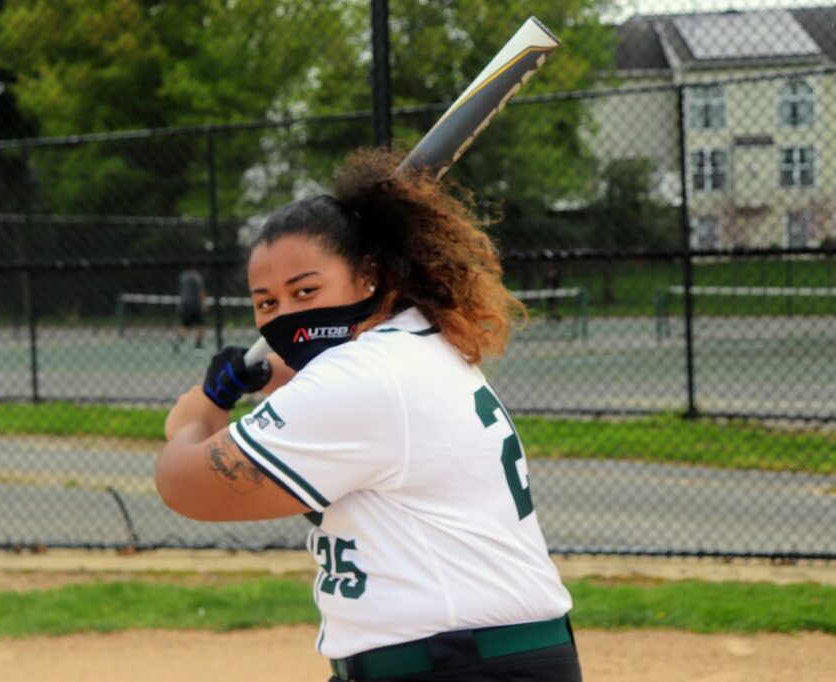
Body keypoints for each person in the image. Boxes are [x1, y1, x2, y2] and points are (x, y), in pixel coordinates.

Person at [156, 149, 582, 682]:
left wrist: (195, 417)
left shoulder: (363, 378)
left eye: (306, 290)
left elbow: (184, 484)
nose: (287, 315)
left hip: (459, 665)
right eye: (266, 303)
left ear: (368, 277)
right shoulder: (417, 345)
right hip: (472, 656)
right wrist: (267, 383)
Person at [174, 267, 206, 351]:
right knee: (200, 325)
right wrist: (203, 304)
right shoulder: (197, 276)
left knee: (185, 325)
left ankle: (178, 341)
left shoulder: (183, 276)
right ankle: (198, 347)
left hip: (185, 305)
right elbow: (201, 291)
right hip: (196, 305)